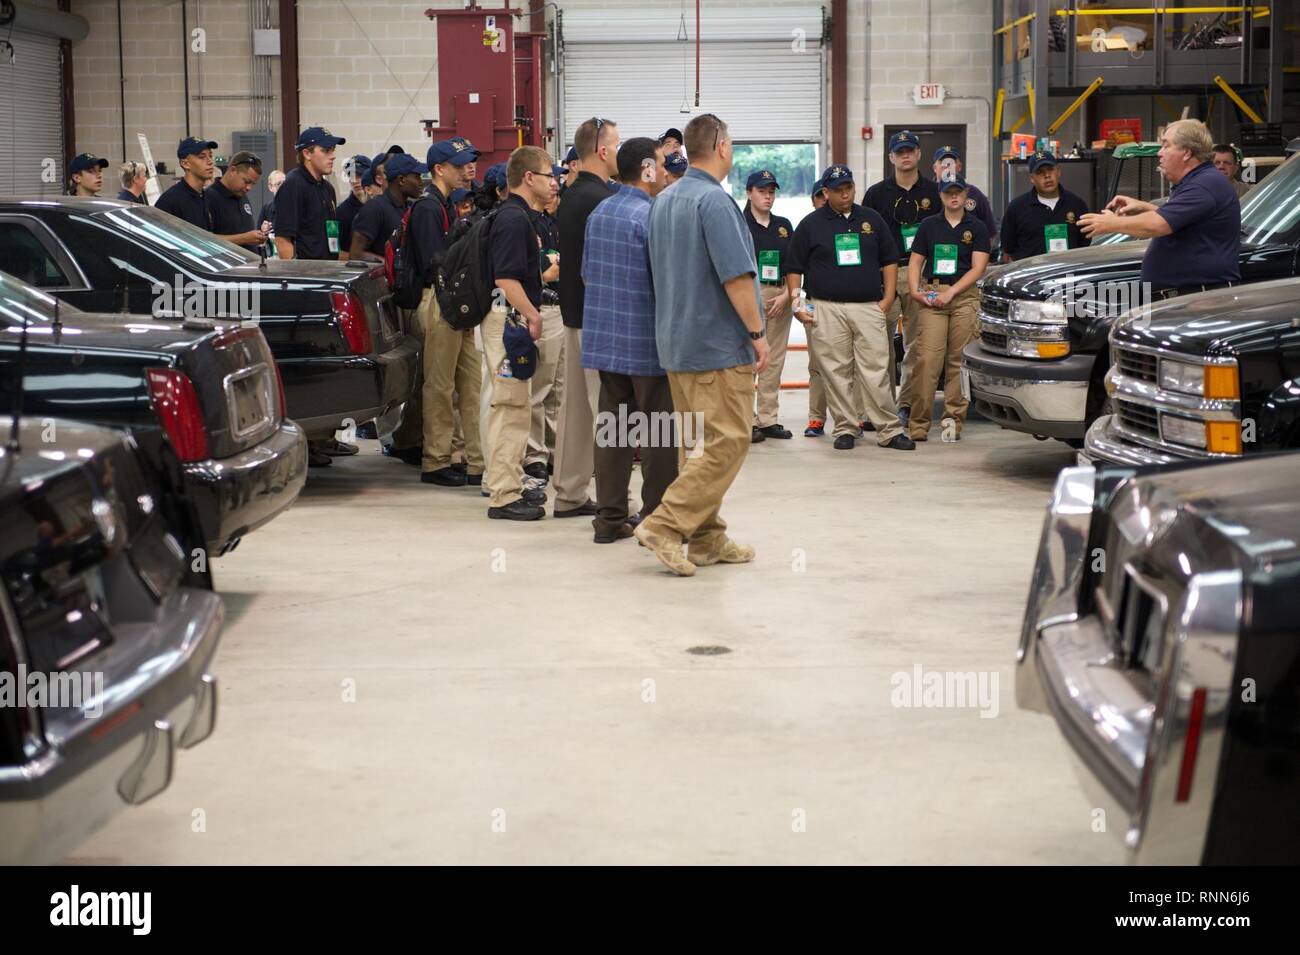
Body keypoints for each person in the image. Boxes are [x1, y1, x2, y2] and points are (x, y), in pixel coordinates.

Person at [637, 112, 769, 577]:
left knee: (701, 445)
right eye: (730, 141)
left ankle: (708, 539)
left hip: (677, 343)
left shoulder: (666, 200)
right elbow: (735, 276)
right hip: (716, 347)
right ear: (720, 145)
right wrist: (756, 333)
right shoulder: (715, 203)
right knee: (728, 441)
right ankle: (666, 526)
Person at [581, 136, 676, 544]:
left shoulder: (599, 212)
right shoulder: (652, 216)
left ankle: (609, 519)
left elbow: (586, 274)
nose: (666, 170)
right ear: (647, 169)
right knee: (657, 435)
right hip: (647, 344)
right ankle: (655, 520)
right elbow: (666, 283)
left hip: (605, 341)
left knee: (614, 432)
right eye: (660, 163)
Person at [786, 163, 913, 452]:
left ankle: (889, 430)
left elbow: (889, 260)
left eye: (849, 188)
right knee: (835, 370)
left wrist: (887, 298)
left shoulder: (872, 219)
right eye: (839, 190)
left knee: (877, 370)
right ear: (825, 192)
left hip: (868, 306)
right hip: (826, 307)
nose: (845, 194)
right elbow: (794, 267)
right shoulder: (811, 224)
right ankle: (845, 427)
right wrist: (797, 303)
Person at [392, 135, 483, 485]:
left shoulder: (443, 204)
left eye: (469, 163)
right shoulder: (430, 207)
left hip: (453, 300)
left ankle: (473, 459)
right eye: (460, 166)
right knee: (441, 386)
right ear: (439, 169)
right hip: (439, 299)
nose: (468, 170)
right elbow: (436, 264)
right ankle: (436, 461)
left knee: (470, 382)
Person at [1079, 119, 1240, 297]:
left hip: (1197, 299)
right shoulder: (1199, 182)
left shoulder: (1203, 185)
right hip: (1190, 295)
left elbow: (1159, 225)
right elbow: (1183, 219)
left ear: (1186, 153)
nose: (1159, 153)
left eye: (1166, 145)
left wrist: (1112, 223)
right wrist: (1144, 208)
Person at [482, 145, 555, 521]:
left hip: (513, 320)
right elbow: (506, 278)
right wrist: (533, 315)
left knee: (516, 406)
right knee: (509, 407)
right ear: (529, 178)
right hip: (509, 321)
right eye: (548, 176)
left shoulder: (519, 216)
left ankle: (509, 482)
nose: (553, 182)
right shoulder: (513, 219)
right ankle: (503, 496)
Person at [553, 116, 619, 520]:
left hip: (573, 315)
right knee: (609, 412)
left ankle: (570, 494)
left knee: (575, 412)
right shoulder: (603, 199)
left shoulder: (571, 194)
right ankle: (615, 502)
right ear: (604, 150)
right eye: (617, 141)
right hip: (598, 319)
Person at [863, 130, 941, 427]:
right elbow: (866, 238)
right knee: (878, 345)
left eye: (910, 150)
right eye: (900, 151)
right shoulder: (876, 194)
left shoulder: (934, 194)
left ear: (919, 154)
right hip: (886, 273)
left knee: (916, 346)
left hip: (919, 274)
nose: (905, 155)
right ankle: (879, 407)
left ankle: (904, 404)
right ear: (891, 157)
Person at [905, 172, 990, 442]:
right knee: (927, 361)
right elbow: (916, 261)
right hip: (933, 296)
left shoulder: (976, 228)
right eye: (948, 192)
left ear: (966, 194)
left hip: (964, 297)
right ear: (940, 195)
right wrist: (916, 290)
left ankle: (953, 422)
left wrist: (952, 292)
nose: (954, 196)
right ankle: (918, 423)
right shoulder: (929, 225)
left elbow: (979, 268)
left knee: (958, 363)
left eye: (958, 192)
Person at [743, 169, 795, 443]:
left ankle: (767, 418)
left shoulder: (783, 226)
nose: (767, 197)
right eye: (762, 191)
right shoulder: (738, 224)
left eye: (771, 192)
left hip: (779, 295)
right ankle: (746, 419)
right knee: (748, 360)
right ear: (749, 192)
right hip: (749, 295)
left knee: (773, 360)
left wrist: (788, 294)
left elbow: (795, 265)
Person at [525, 177, 565, 488]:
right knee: (539, 389)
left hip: (561, 308)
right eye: (548, 178)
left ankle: (555, 451)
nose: (554, 185)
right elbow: (540, 270)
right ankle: (535, 455)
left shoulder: (552, 222)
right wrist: (547, 272)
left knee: (559, 390)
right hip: (541, 308)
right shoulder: (524, 222)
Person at [1000, 151, 1090, 261]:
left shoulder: (1077, 205)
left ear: (1058, 171)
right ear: (1032, 178)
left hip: (1068, 274)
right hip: (1032, 275)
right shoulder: (1016, 208)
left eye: (1050, 170)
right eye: (1040, 172)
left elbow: (1085, 244)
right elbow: (1008, 246)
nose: (1047, 176)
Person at [274, 126, 346, 261]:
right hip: (307, 274)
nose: (333, 156)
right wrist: (297, 277)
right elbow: (282, 240)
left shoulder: (328, 189)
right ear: (307, 154)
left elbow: (331, 234)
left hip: (328, 270)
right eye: (325, 150)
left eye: (333, 150)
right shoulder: (294, 184)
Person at [349, 153, 426, 261]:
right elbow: (356, 254)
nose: (421, 182)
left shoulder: (408, 208)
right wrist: (388, 265)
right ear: (401, 180)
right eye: (417, 177)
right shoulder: (374, 208)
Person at [204, 151, 270, 252]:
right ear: (233, 170)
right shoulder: (209, 198)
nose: (249, 188)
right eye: (246, 181)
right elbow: (204, 240)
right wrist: (244, 238)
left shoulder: (241, 195)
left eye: (253, 184)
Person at [932, 146, 996, 237]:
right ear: (934, 167)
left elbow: (990, 232)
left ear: (959, 167)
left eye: (951, 162)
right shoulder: (927, 192)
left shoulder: (974, 194)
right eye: (943, 162)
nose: (947, 166)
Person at [155, 137, 218, 229]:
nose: (210, 162)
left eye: (210, 156)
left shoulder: (205, 197)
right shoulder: (171, 200)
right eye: (202, 157)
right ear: (185, 164)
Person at [335, 154, 371, 260]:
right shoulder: (342, 212)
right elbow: (336, 252)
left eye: (360, 175)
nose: (355, 180)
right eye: (351, 175)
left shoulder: (379, 205)